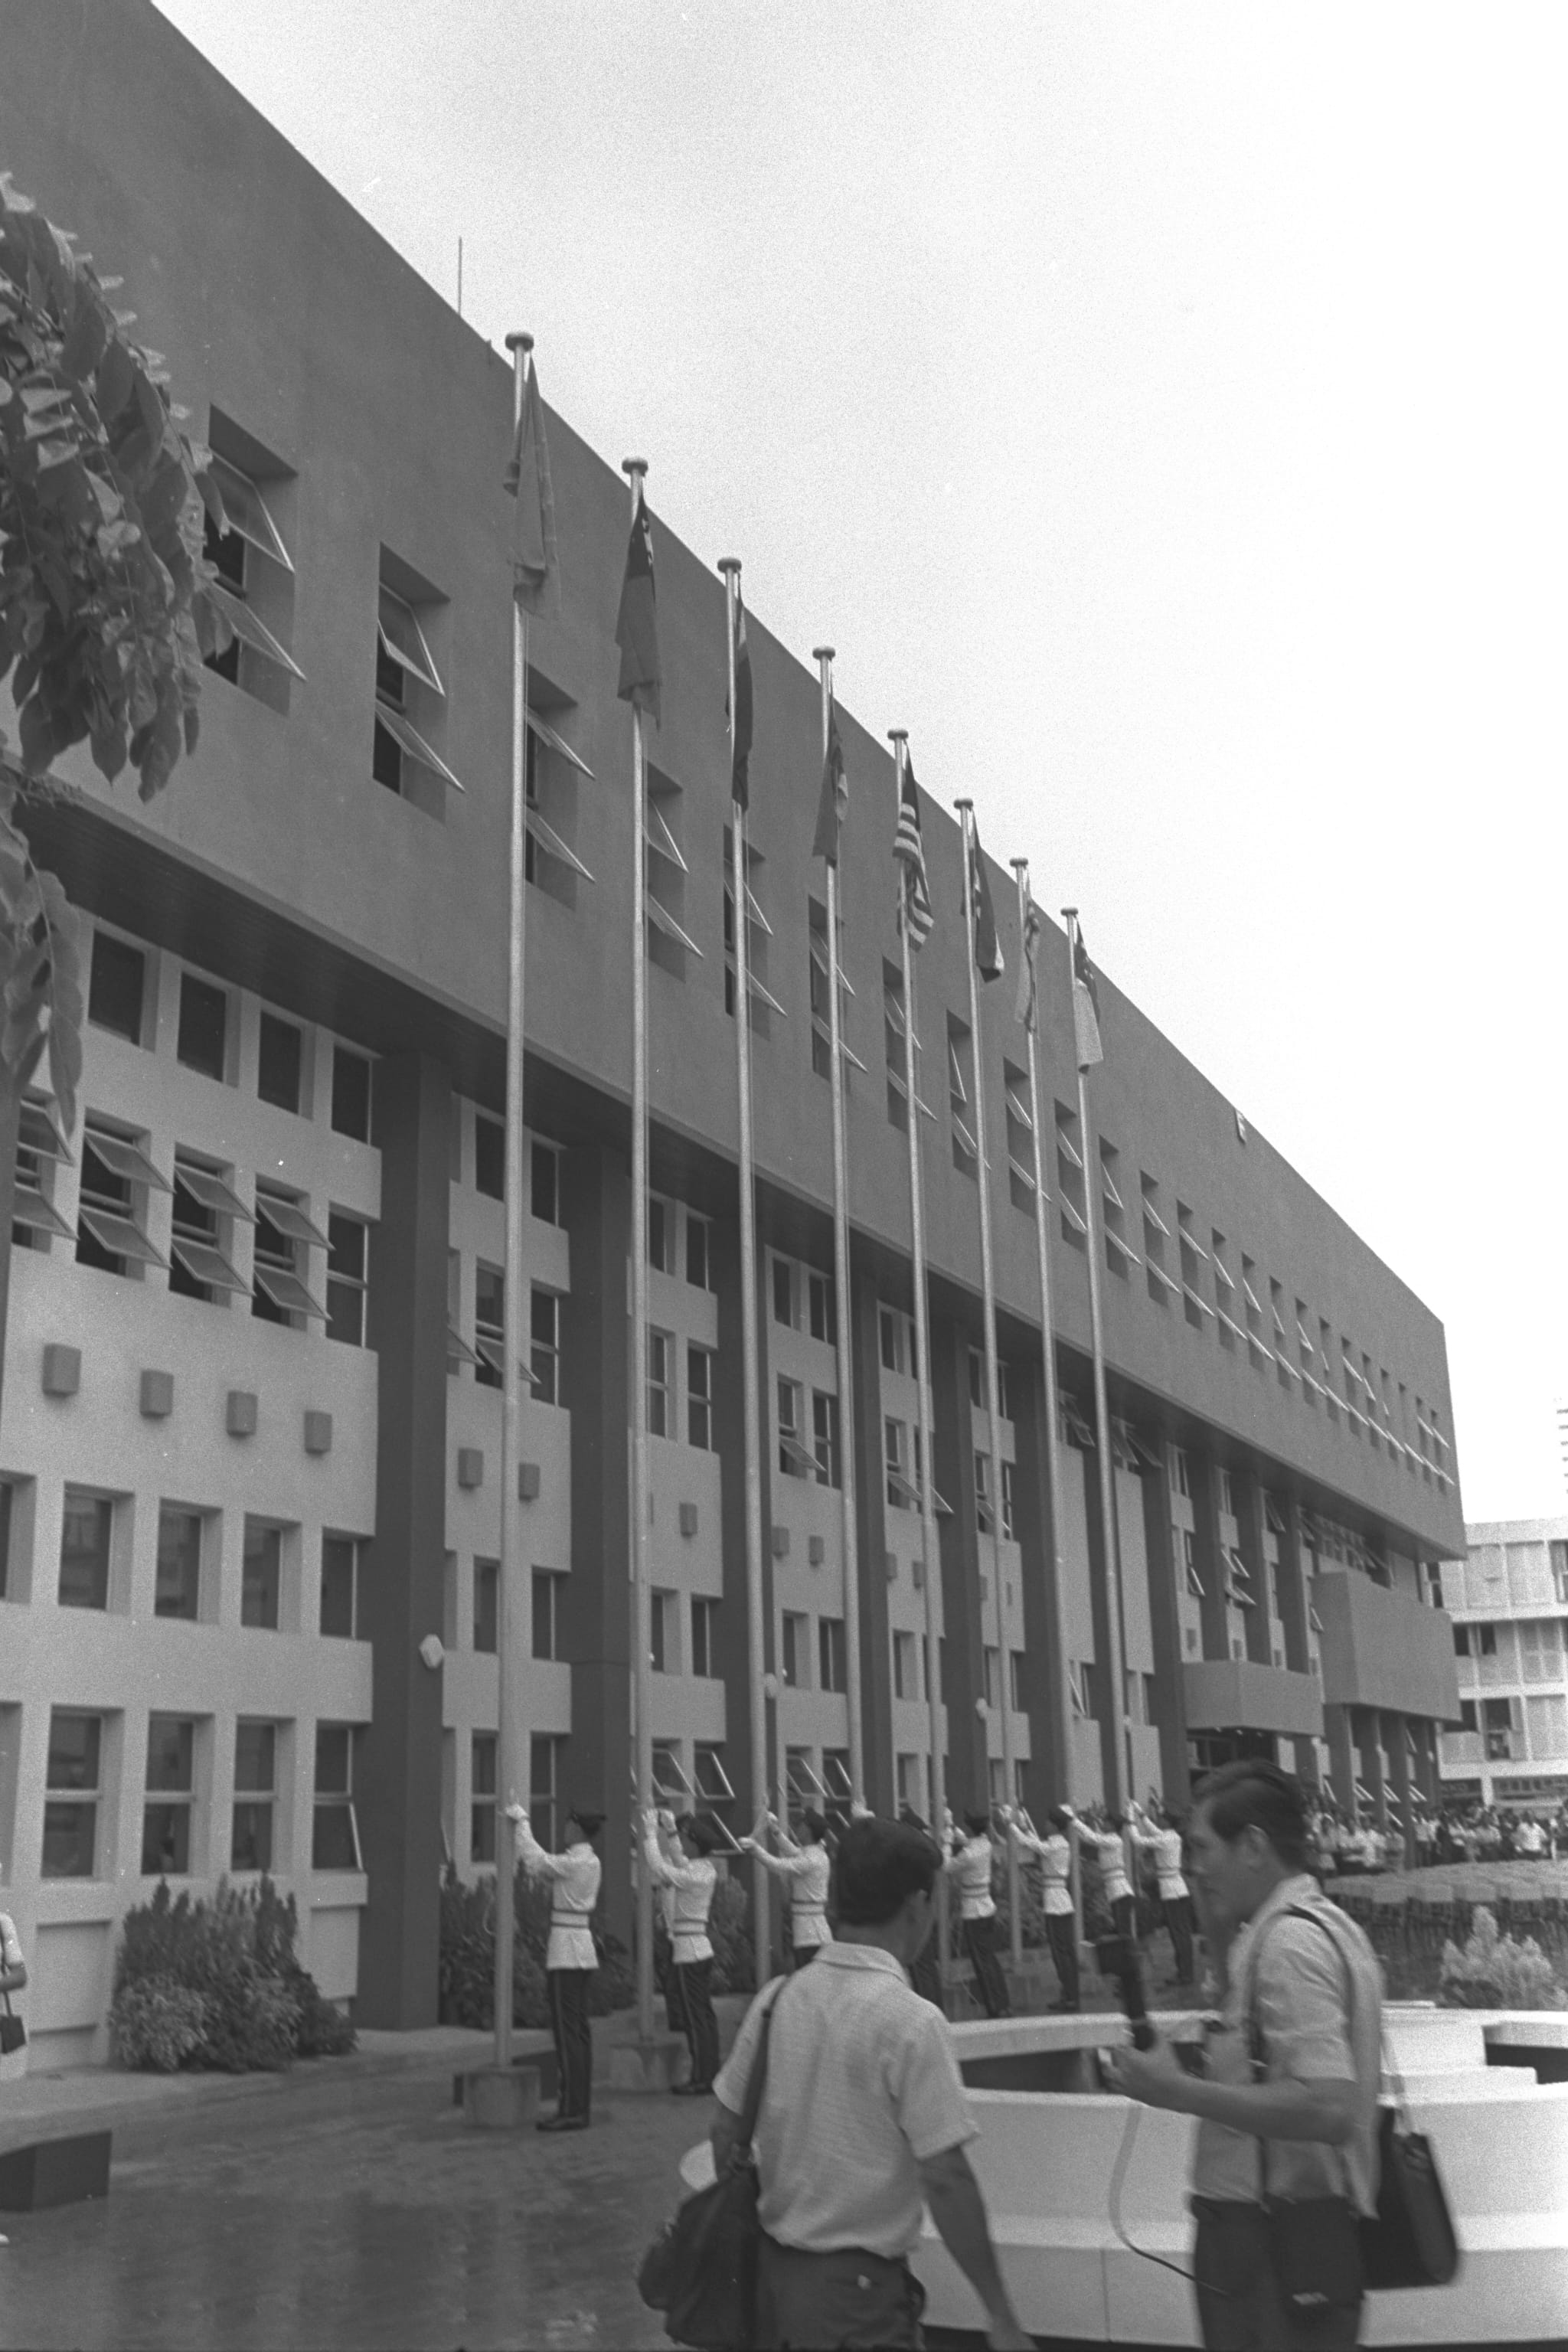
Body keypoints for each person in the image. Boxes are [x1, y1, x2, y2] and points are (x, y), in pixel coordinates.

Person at [710, 1816, 1031, 2350]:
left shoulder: (777, 1998)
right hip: (857, 2301)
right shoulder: (911, 2020)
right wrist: (1000, 2313)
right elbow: (946, 2178)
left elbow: (725, 2128)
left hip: (771, 2284)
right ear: (917, 1905)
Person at [1106, 1759, 1383, 2351]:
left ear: (1253, 1846)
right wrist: (1214, 1926)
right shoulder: (1314, 1927)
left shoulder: (1289, 1946)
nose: (1194, 1868)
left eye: (1203, 1848)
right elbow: (1266, 2056)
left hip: (1269, 2241)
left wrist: (1177, 2091)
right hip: (1291, 2230)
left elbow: (1329, 2107)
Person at [507, 1800, 603, 2132]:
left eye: (567, 1823)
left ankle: (571, 2109)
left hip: (566, 1949)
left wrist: (521, 1821)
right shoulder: (590, 1861)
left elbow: (535, 1860)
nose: (564, 1828)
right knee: (578, 2033)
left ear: (576, 1827)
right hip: (581, 1947)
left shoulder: (574, 1861)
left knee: (567, 2034)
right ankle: (578, 2105)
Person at [643, 1808, 723, 2096]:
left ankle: (702, 2077)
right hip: (695, 1949)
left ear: (695, 1844)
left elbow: (660, 1867)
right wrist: (671, 1832)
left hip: (690, 1952)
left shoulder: (695, 1874)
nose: (683, 1845)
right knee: (702, 2016)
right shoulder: (702, 1869)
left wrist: (650, 1834)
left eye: (687, 1839)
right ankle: (708, 2072)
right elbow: (678, 1859)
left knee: (695, 2018)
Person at [1004, 1805, 1080, 2011]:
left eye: (1048, 1822)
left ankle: (1070, 1996)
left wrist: (1011, 1825)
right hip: (1060, 1900)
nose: (1045, 1824)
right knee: (1065, 1951)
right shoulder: (1059, 1844)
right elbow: (1036, 1844)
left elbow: (1030, 1843)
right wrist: (1024, 1827)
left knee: (1060, 1952)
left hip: (1055, 1902)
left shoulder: (1056, 1845)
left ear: (1054, 1826)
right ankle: (1070, 1993)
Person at [743, 1808, 833, 1968]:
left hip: (810, 1934)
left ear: (808, 1830)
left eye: (802, 1824)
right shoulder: (814, 1854)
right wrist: (775, 1829)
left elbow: (778, 1865)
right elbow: (791, 1850)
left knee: (807, 1978)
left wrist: (755, 1849)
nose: (798, 1827)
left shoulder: (812, 1859)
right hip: (811, 1930)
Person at [943, 1808, 1011, 2020]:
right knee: (990, 1958)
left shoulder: (969, 1854)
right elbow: (969, 1843)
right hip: (987, 1907)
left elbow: (947, 1866)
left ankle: (995, 2006)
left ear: (971, 1828)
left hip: (973, 1911)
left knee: (982, 1963)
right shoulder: (986, 1845)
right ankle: (1002, 2002)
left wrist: (947, 1842)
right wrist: (952, 1827)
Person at [1129, 1798, 1196, 1987]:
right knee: (1182, 1933)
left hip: (1171, 1891)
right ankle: (1185, 1972)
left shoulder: (1165, 1839)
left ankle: (1184, 1975)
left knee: (1178, 1933)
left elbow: (1137, 1840)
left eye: (1162, 1818)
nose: (1159, 1820)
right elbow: (1153, 1830)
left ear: (1167, 1821)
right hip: (1179, 1888)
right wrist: (1140, 1813)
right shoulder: (1172, 1836)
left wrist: (1130, 1819)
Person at [1081, 1807, 1136, 1941]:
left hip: (1120, 1892)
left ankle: (1129, 1953)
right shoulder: (1109, 1839)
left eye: (1106, 1822)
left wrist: (1075, 1822)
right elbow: (1090, 1837)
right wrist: (1088, 1822)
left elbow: (1093, 1838)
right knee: (1121, 1930)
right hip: (1115, 1891)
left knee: (1124, 1932)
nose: (1103, 1824)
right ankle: (1127, 1952)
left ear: (1112, 1826)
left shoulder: (1114, 1840)